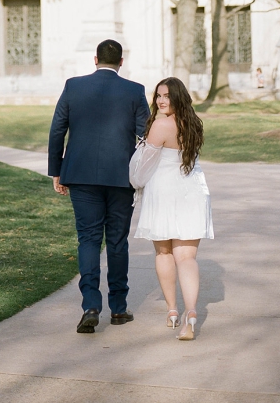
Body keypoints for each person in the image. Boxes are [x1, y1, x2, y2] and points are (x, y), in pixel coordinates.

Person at [48, 39, 149, 334]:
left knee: (89, 239)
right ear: (121, 61)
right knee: (117, 241)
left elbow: (57, 129)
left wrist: (57, 170)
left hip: (80, 174)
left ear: (95, 59)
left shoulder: (73, 86)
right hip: (121, 177)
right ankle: (118, 309)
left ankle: (91, 305)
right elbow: (146, 136)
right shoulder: (134, 90)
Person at [134, 76, 214, 340]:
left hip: (165, 194)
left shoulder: (160, 125)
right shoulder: (193, 124)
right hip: (192, 192)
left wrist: (133, 180)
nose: (160, 101)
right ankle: (191, 314)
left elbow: (143, 167)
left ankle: (172, 310)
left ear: (177, 97)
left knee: (164, 254)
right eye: (158, 95)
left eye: (166, 96)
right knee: (187, 258)